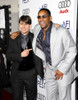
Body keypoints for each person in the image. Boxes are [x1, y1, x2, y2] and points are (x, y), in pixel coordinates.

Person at [32, 8, 78, 100]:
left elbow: (72, 50)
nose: (41, 19)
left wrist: (62, 69)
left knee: (64, 97)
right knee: (50, 97)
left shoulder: (61, 31)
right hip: (49, 69)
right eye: (39, 17)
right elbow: (30, 30)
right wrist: (18, 32)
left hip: (62, 70)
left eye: (44, 16)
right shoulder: (38, 29)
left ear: (50, 18)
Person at [6, 15, 44, 100]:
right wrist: (20, 55)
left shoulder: (35, 38)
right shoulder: (13, 38)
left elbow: (45, 27)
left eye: (26, 24)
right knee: (17, 97)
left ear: (30, 25)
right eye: (21, 24)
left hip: (31, 74)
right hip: (16, 75)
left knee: (31, 97)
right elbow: (8, 55)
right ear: (19, 25)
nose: (23, 26)